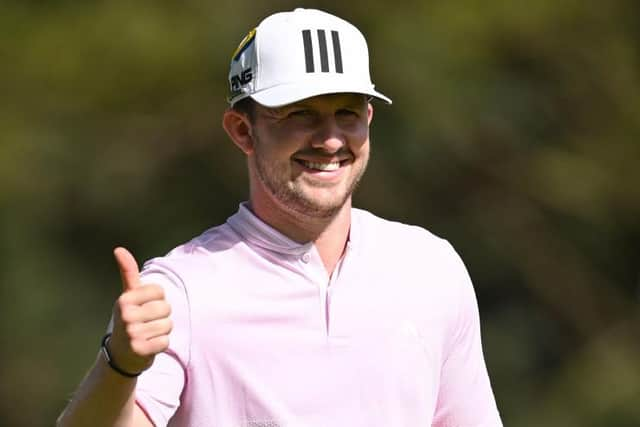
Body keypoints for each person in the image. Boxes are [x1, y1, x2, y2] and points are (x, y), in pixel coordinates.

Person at [58, 8, 502, 427]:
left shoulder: (431, 266)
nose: (330, 140)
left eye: (346, 112)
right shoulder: (181, 289)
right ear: (242, 131)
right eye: (300, 113)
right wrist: (119, 366)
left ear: (368, 118)